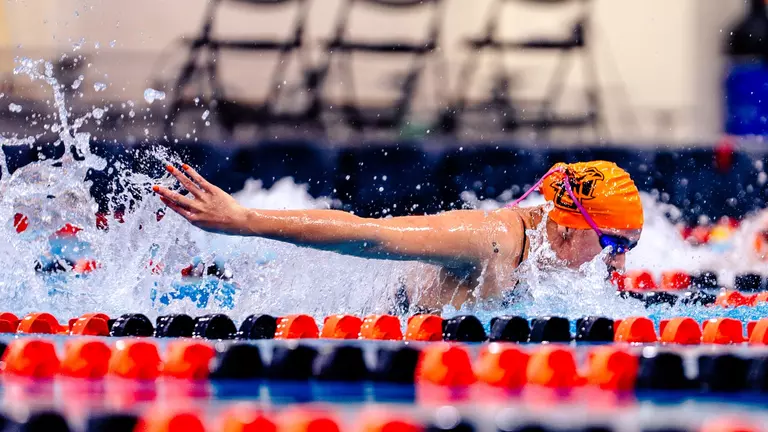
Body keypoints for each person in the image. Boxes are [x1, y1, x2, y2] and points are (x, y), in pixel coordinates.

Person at [153, 160, 643, 314]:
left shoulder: (545, 258)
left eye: (629, 248)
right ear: (569, 225)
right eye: (615, 244)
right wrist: (245, 220)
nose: (619, 264)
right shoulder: (487, 241)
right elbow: (369, 236)